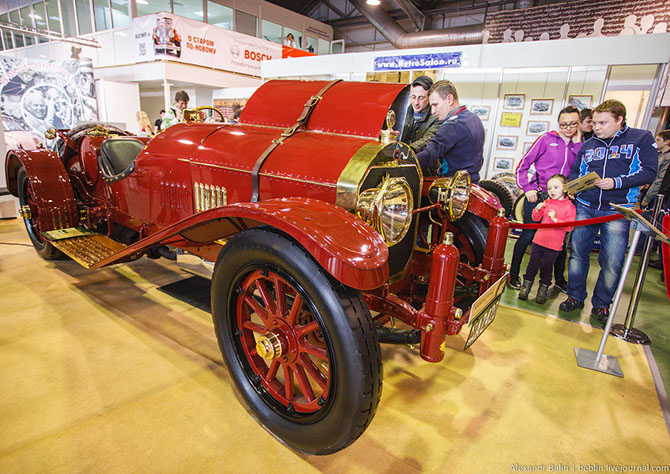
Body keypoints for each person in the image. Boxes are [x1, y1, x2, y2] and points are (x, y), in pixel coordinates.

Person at [559, 99, 658, 323]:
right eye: (594, 123)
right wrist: (574, 187)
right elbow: (576, 171)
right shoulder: (588, 145)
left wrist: (616, 182)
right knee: (576, 255)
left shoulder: (640, 139)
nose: (597, 127)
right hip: (585, 206)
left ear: (620, 119)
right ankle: (575, 296)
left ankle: (602, 304)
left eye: (603, 122)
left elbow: (649, 171)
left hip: (617, 210)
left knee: (612, 261)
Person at [508, 106, 582, 291]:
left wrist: (579, 142)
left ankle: (559, 280)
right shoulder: (546, 140)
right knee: (528, 235)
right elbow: (522, 166)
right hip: (539, 195)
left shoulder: (580, 144)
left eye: (573, 123)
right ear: (558, 123)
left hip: (564, 200)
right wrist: (527, 189)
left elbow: (582, 170)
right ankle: (513, 275)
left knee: (561, 241)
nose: (568, 127)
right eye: (564, 124)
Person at [518, 174, 576, 304]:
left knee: (547, 267)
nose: (552, 191)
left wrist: (556, 220)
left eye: (556, 187)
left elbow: (570, 226)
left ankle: (542, 291)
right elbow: (535, 219)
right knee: (532, 265)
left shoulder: (569, 207)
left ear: (565, 189)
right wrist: (537, 210)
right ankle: (526, 288)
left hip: (554, 245)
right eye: (549, 188)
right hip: (539, 241)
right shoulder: (547, 202)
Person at [415, 80, 485, 182]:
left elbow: (428, 156)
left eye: (435, 105)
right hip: (472, 184)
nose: (433, 111)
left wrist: (403, 164)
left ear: (449, 99)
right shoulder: (474, 118)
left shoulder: (453, 125)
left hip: (453, 188)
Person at [400, 75, 440, 154]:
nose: (416, 102)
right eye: (413, 97)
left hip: (424, 163)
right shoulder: (403, 114)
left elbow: (429, 139)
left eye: (421, 98)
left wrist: (409, 150)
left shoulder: (437, 117)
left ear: (430, 97)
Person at [640, 129, 670, 209]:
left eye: (658, 140)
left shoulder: (667, 158)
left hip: (654, 195)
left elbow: (660, 179)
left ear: (667, 141)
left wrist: (647, 198)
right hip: (647, 190)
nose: (656, 142)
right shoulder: (657, 154)